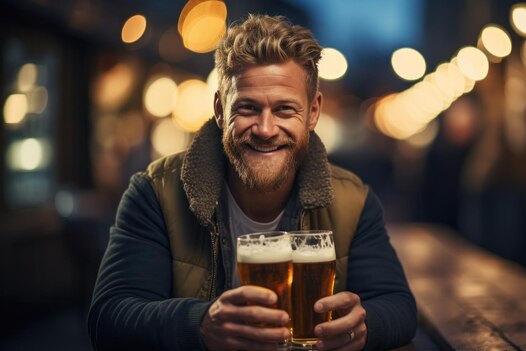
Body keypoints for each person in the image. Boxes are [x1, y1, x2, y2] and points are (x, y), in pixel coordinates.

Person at [88, 14, 417, 351]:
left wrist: (363, 328)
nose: (265, 128)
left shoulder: (352, 199)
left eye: (285, 109)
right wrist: (200, 325)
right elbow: (108, 318)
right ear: (219, 109)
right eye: (247, 108)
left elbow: (399, 307)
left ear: (313, 112)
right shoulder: (156, 192)